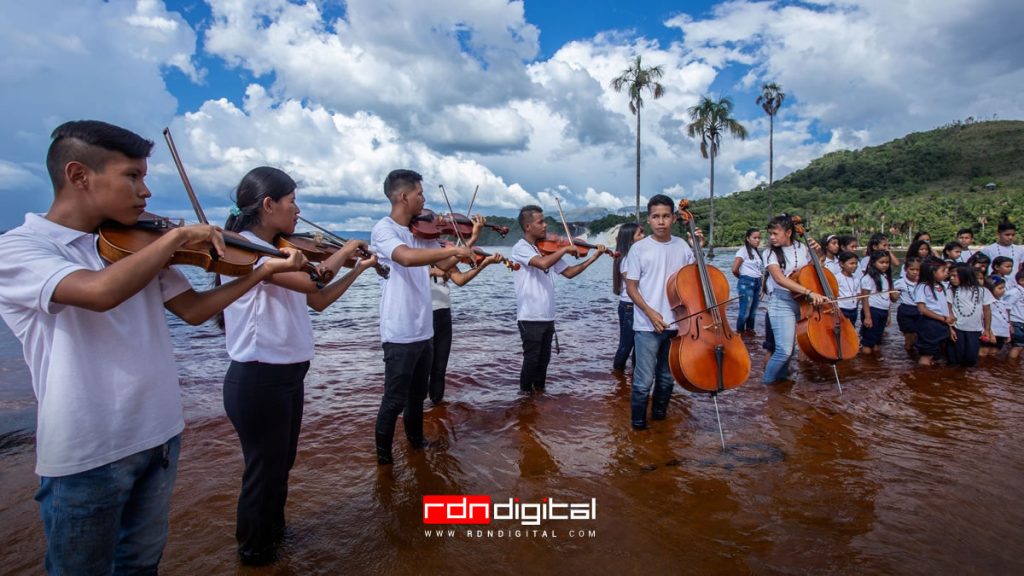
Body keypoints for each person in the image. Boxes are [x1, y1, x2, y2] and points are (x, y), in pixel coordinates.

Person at [0, 120, 307, 574]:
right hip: (88, 453)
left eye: (145, 176)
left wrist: (259, 272)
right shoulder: (22, 248)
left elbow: (196, 310)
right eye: (132, 176)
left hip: (160, 437)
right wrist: (177, 238)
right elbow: (99, 293)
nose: (145, 191)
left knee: (142, 566)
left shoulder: (137, 243)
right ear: (78, 175)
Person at [219, 166, 379, 565]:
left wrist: (357, 270)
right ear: (269, 205)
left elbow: (319, 298)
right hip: (258, 377)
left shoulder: (281, 251)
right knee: (263, 471)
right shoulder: (250, 251)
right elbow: (317, 277)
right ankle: (254, 555)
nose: (298, 210)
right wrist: (347, 248)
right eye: (292, 202)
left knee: (280, 465)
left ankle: (273, 538)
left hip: (287, 375)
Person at [369, 169, 473, 465]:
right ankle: (384, 460)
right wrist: (455, 249)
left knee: (416, 398)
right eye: (419, 194)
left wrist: (460, 252)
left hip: (424, 329)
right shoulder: (384, 230)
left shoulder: (422, 233)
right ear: (403, 196)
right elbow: (405, 257)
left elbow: (441, 261)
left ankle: (416, 444)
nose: (424, 200)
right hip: (399, 331)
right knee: (393, 400)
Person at [510, 205, 607, 393]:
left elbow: (569, 272)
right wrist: (564, 250)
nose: (545, 226)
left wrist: (593, 257)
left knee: (544, 361)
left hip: (547, 317)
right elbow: (541, 263)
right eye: (541, 222)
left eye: (545, 221)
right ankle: (524, 402)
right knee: (531, 360)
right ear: (528, 226)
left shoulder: (546, 249)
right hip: (530, 317)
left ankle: (539, 398)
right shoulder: (520, 248)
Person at [623, 195, 698, 429]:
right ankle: (638, 426)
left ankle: (660, 420)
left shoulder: (683, 246)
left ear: (674, 218)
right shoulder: (639, 249)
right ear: (649, 220)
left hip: (678, 325)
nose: (661, 221)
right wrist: (651, 313)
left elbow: (693, 280)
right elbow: (631, 287)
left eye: (666, 216)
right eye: (656, 217)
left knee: (666, 378)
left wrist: (698, 248)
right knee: (643, 381)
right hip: (647, 326)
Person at [427, 218, 503, 404]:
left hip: (443, 312)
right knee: (419, 368)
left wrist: (483, 264)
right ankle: (416, 414)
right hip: (423, 313)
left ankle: (436, 411)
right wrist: (472, 238)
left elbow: (459, 280)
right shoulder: (417, 248)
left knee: (439, 367)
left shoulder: (444, 248)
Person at [762, 215, 828, 383]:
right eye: (770, 233)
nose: (771, 237)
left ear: (789, 232)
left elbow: (813, 272)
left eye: (775, 233)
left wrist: (819, 254)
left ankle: (781, 385)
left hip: (800, 302)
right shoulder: (769, 252)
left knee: (789, 351)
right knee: (783, 351)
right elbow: (780, 279)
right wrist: (809, 292)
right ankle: (767, 384)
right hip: (781, 302)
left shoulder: (802, 248)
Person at [612, 222, 645, 372]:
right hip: (630, 306)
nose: (644, 236)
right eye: (640, 234)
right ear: (630, 240)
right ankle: (618, 378)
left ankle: (632, 380)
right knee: (626, 345)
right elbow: (634, 286)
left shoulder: (636, 257)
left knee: (639, 346)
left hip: (638, 305)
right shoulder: (626, 260)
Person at [946, 264, 992, 367]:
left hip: (975, 329)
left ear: (965, 275)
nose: (952, 278)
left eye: (955, 275)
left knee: (971, 359)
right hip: (957, 329)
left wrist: (987, 330)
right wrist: (950, 328)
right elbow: (948, 311)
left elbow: (987, 311)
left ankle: (968, 380)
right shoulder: (951, 291)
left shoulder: (982, 291)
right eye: (951, 276)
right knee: (955, 359)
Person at [914, 257, 954, 366]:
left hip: (942, 323)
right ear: (932, 272)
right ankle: (923, 378)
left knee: (936, 353)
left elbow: (945, 306)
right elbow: (922, 309)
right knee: (927, 354)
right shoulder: (923, 287)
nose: (947, 273)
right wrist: (942, 318)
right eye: (943, 270)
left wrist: (949, 324)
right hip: (930, 323)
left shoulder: (940, 285)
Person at [859, 251, 897, 355]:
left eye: (887, 262)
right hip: (872, 311)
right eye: (881, 262)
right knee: (868, 341)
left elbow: (887, 298)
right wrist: (867, 316)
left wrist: (889, 315)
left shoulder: (885, 276)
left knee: (877, 340)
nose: (885, 265)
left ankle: (876, 364)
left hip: (883, 311)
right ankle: (867, 364)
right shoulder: (868, 278)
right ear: (873, 262)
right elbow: (864, 298)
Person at [732, 227, 764, 334]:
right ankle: (739, 333)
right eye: (754, 238)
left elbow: (760, 271)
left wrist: (763, 287)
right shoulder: (742, 251)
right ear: (748, 238)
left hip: (757, 282)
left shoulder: (756, 252)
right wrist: (743, 280)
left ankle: (750, 334)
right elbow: (735, 269)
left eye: (759, 238)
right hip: (747, 282)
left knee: (753, 312)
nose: (757, 240)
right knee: (744, 311)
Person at [894, 257, 923, 352]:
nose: (915, 272)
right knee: (908, 337)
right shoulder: (900, 283)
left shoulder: (923, 283)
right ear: (906, 270)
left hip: (920, 311)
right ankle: (908, 358)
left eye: (917, 270)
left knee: (918, 335)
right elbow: (894, 299)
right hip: (906, 311)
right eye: (912, 269)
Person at [980, 275, 1010, 357]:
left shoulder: (1002, 302)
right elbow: (984, 318)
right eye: (1000, 288)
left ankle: (990, 369)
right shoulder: (988, 303)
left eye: (1004, 288)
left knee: (994, 353)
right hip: (991, 332)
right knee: (983, 352)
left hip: (1001, 333)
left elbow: (1005, 318)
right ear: (990, 289)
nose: (1003, 290)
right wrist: (990, 333)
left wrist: (1007, 333)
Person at [835, 251, 862, 327]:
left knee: (851, 328)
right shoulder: (837, 278)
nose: (855, 266)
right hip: (842, 309)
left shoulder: (856, 278)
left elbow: (859, 293)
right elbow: (834, 294)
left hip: (853, 309)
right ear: (842, 264)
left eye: (856, 263)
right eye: (851, 263)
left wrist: (855, 304)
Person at [1005, 269, 1024, 360]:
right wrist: (1009, 324)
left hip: (1020, 322)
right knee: (1018, 346)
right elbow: (1007, 307)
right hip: (1016, 322)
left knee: (1020, 346)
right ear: (1021, 281)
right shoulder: (1016, 292)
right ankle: (1010, 365)